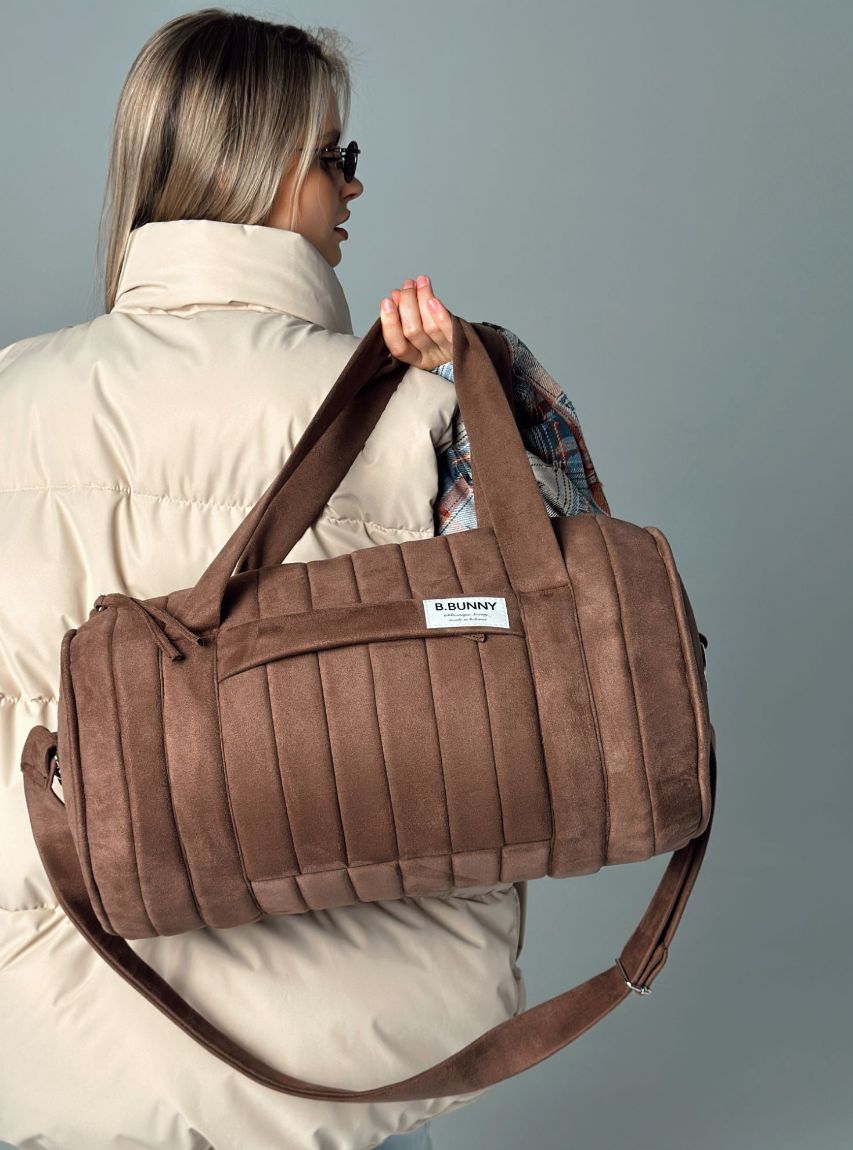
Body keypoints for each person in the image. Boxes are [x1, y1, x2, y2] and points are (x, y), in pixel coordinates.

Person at [0, 9, 529, 1150]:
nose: (354, 189)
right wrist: (496, 384)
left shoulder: (8, 401)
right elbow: (548, 645)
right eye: (338, 156)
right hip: (355, 1055)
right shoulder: (408, 409)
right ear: (264, 168)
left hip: (56, 1045)